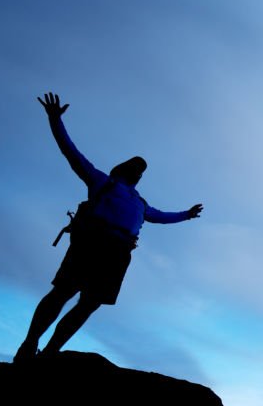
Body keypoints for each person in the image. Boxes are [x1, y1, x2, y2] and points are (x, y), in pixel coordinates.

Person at [14, 92, 203, 362]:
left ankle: (50, 352)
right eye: (135, 167)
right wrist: (55, 120)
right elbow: (71, 152)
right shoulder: (102, 181)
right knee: (63, 292)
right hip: (92, 243)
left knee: (89, 304)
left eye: (141, 170)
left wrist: (186, 214)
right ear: (122, 169)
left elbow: (160, 216)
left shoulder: (140, 201)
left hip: (118, 253)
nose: (138, 171)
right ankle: (29, 344)